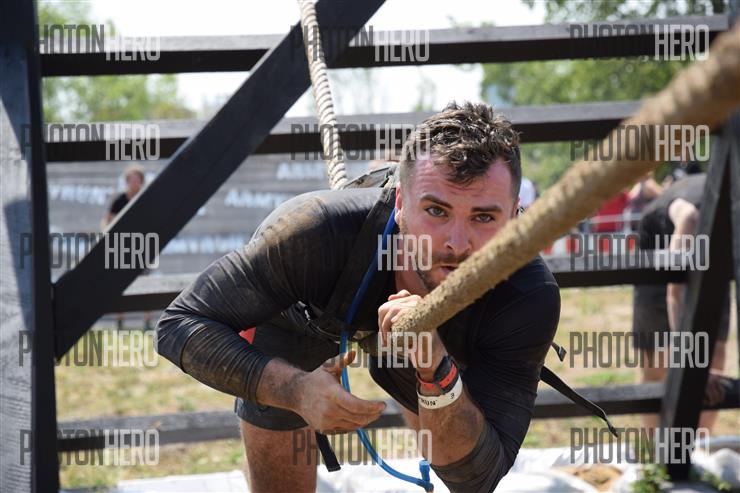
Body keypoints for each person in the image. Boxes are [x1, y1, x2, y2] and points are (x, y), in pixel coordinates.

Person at [156, 102, 561, 492]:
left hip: (433, 339)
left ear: (514, 216)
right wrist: (294, 389)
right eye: (436, 211)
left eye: (483, 217)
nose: (457, 243)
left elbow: (476, 479)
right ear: (401, 204)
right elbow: (179, 324)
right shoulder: (315, 232)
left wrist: (436, 369)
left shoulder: (525, 295)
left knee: (447, 417)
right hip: (305, 316)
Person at [632, 173, 730, 431]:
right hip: (659, 246)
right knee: (657, 362)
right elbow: (675, 290)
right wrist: (692, 362)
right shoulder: (692, 213)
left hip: (712, 260)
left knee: (715, 357)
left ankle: (699, 445)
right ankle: (654, 446)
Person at [102, 163, 152, 331]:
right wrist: (108, 236)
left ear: (141, 181)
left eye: (137, 179)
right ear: (126, 182)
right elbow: (106, 221)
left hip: (142, 249)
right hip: (122, 249)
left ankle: (147, 322)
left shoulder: (146, 199)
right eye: (131, 179)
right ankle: (120, 322)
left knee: (146, 284)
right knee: (119, 285)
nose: (134, 183)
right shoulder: (119, 200)